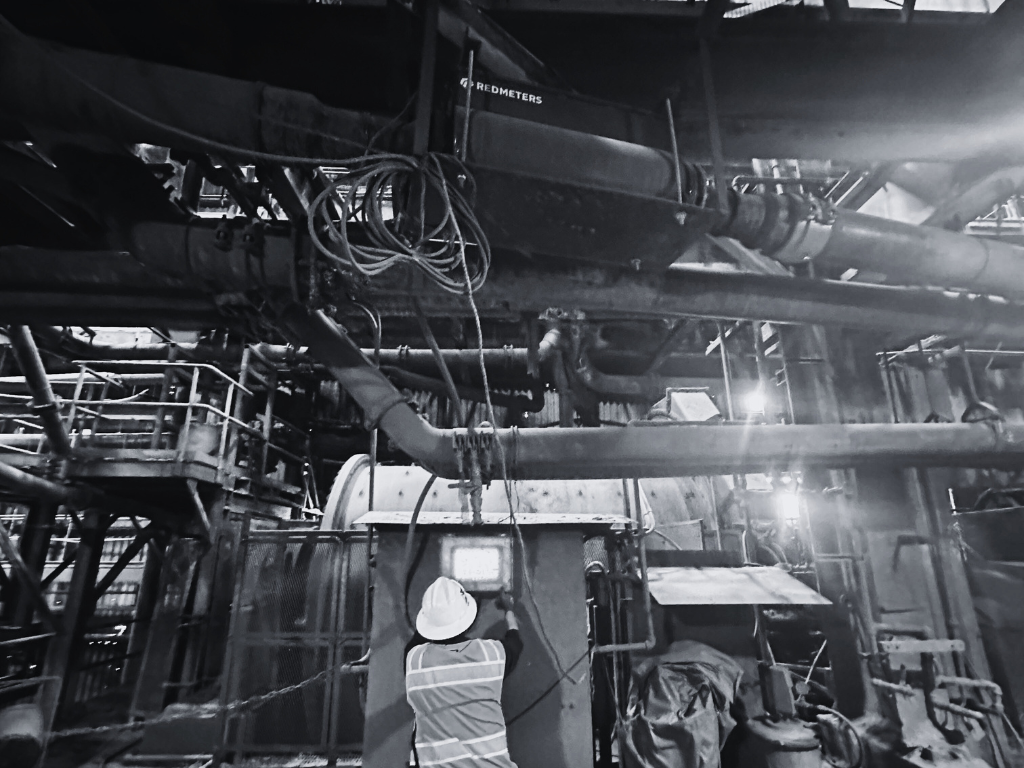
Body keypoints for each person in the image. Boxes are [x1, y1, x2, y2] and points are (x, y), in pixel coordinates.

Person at [405, 577, 523, 768]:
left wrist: (436, 617)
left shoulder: (415, 660)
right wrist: (508, 609)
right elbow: (515, 642)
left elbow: (418, 640)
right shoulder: (490, 654)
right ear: (468, 619)